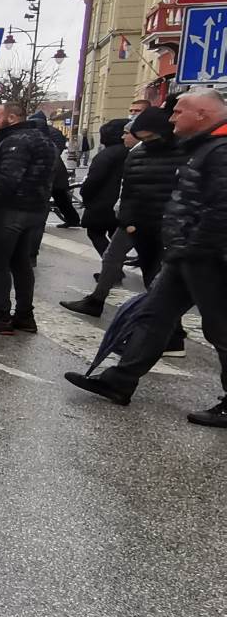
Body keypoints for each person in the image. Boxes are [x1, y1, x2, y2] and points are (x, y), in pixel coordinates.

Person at [66, 87, 227, 424]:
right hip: (186, 254)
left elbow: (220, 212)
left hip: (207, 257)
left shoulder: (221, 150)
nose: (171, 118)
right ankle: (119, 381)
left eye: (178, 111)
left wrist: (192, 247)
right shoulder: (203, 147)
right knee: (153, 316)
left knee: (220, 328)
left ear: (203, 114)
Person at [61, 107, 179, 319]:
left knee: (154, 270)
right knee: (114, 257)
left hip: (154, 221)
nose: (125, 136)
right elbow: (130, 189)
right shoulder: (138, 153)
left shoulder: (173, 153)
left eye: (129, 133)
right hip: (132, 218)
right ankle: (97, 300)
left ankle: (166, 326)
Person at [0, 101, 57, 336]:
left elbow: (8, 178)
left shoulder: (16, 141)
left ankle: (0, 316)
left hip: (8, 211)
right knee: (21, 263)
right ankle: (25, 315)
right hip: (34, 210)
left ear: (12, 118)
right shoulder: (44, 140)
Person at [78, 118, 129, 256]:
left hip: (102, 203)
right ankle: (114, 267)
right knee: (116, 237)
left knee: (95, 233)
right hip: (121, 203)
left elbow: (93, 180)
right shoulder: (131, 152)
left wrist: (85, 195)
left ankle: (111, 268)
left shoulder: (106, 155)